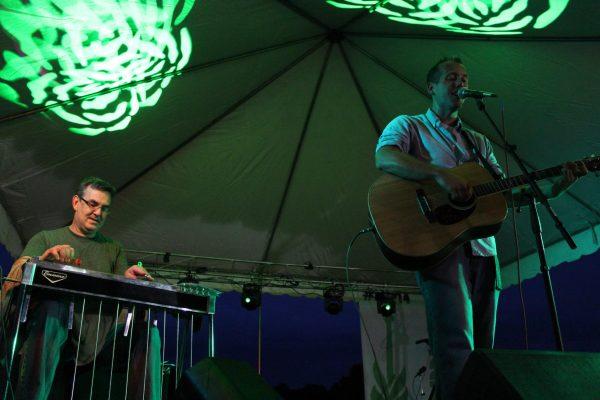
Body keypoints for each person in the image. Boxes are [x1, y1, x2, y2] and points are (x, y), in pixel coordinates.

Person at [374, 57, 587, 400]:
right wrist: (439, 175)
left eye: (464, 78)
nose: (460, 83)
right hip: (440, 245)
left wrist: (559, 185)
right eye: (451, 78)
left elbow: (509, 195)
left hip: (484, 250)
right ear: (432, 87)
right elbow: (384, 157)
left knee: (482, 353)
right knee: (455, 347)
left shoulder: (479, 142)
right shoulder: (410, 126)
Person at [1, 176, 161, 400]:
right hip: (53, 333)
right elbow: (15, 274)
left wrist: (129, 280)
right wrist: (42, 261)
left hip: (99, 337)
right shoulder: (46, 238)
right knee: (52, 310)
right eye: (93, 204)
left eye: (104, 209)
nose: (98, 213)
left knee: (148, 332)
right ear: (76, 202)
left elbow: (120, 297)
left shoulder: (113, 249)